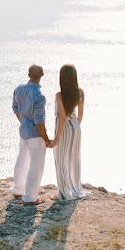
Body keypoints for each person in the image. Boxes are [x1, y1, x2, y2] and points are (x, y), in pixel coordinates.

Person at [11, 64, 51, 205]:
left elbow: (15, 107)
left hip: (23, 131)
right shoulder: (39, 96)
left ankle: (18, 189)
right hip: (35, 134)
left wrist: (23, 121)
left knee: (22, 160)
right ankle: (29, 197)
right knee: (36, 165)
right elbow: (39, 122)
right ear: (42, 75)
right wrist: (46, 139)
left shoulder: (19, 89)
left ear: (28, 75)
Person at [48, 63, 86, 200]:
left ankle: (63, 192)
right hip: (76, 127)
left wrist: (56, 139)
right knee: (73, 158)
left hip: (64, 129)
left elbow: (62, 117)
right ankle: (75, 186)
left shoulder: (59, 95)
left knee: (62, 159)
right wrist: (75, 127)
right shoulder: (80, 92)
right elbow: (80, 114)